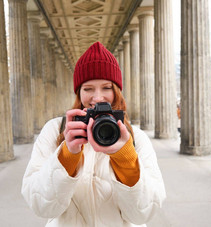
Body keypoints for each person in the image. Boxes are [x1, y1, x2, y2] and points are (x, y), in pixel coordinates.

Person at [21, 42, 166, 227]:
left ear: (117, 91)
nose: (97, 97)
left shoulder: (135, 137)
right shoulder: (55, 130)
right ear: (78, 93)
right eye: (88, 89)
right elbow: (41, 207)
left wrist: (124, 157)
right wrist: (67, 155)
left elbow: (143, 214)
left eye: (106, 88)